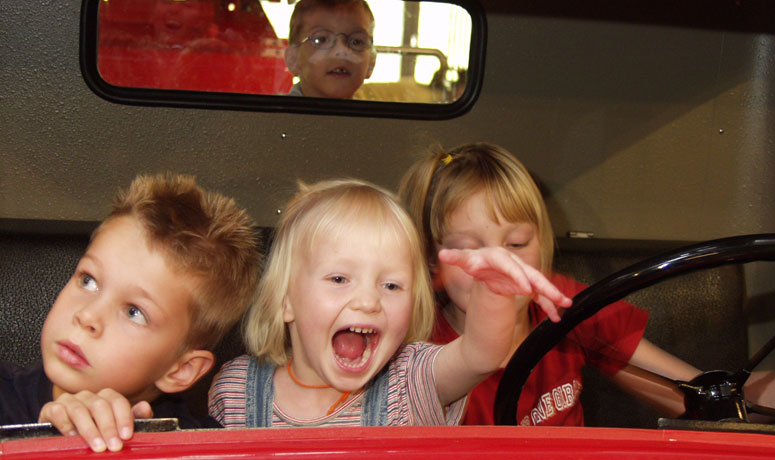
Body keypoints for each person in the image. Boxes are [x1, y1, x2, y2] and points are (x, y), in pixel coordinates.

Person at [399, 142, 775, 426]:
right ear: (434, 259)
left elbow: (699, 395)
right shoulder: (419, 351)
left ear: (542, 243)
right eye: (471, 251)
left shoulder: (564, 305)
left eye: (517, 244)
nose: (501, 266)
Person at [208, 178, 571, 427]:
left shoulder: (410, 382)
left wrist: (493, 289)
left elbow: (482, 353)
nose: (368, 301)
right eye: (339, 279)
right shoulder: (236, 389)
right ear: (285, 301)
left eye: (392, 286)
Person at [0, 173, 263, 451]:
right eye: (88, 280)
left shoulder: (200, 448)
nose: (88, 316)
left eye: (134, 312)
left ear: (180, 370)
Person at [283, 0, 376, 98]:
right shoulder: (274, 112)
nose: (341, 50)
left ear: (371, 62)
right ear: (293, 59)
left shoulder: (374, 113)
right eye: (321, 39)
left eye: (356, 42)